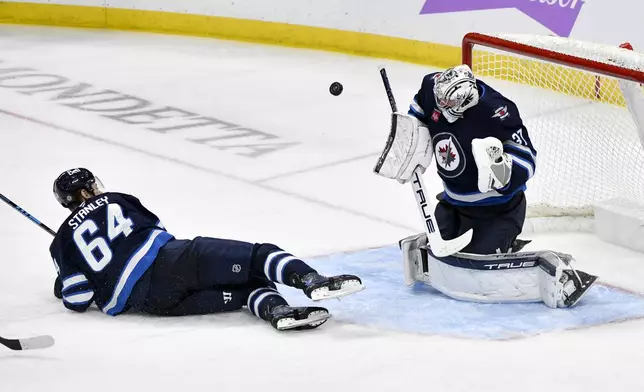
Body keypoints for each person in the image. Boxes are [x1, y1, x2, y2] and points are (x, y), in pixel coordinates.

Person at [373, 64, 597, 308]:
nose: (442, 108)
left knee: (477, 266)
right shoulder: (432, 87)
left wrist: (502, 170)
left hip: (498, 212)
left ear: (466, 100)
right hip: (452, 204)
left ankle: (507, 242)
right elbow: (418, 113)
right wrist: (409, 140)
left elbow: (528, 160)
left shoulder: (499, 111)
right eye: (440, 102)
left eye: (448, 105)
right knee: (439, 256)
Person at [50, 168, 364, 331]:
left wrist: (64, 277)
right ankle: (310, 280)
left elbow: (76, 298)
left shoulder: (62, 242)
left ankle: (278, 312)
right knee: (257, 256)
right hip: (171, 263)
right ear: (85, 190)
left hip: (152, 304)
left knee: (241, 292)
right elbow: (157, 230)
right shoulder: (116, 199)